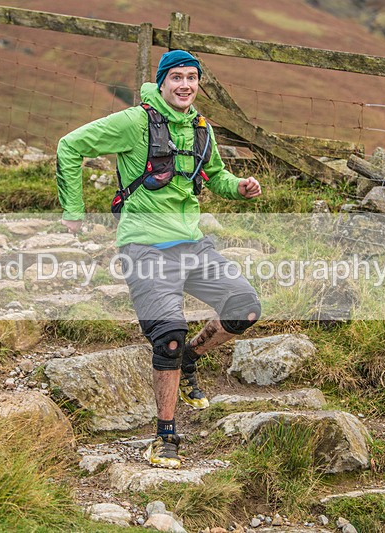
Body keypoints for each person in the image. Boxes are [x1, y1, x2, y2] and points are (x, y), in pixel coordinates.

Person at [56, 50, 262, 469]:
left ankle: (191, 358)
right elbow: (70, 146)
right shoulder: (135, 122)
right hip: (145, 247)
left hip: (193, 245)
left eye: (192, 77)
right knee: (168, 335)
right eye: (177, 78)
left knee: (245, 308)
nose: (185, 85)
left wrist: (238, 186)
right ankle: (165, 436)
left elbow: (215, 175)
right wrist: (73, 210)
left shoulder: (201, 128)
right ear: (162, 82)